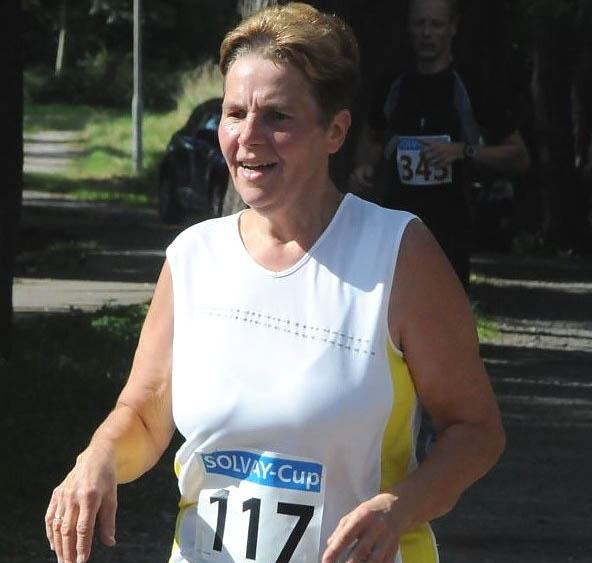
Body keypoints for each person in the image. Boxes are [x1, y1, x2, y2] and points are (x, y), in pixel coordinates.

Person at [45, 4, 505, 563]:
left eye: (277, 117)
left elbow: (475, 430)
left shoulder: (398, 253)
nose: (249, 137)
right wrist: (97, 458)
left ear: (335, 131)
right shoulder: (194, 257)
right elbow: (144, 414)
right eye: (234, 113)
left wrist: (400, 507)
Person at [350, 0, 530, 289]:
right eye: (419, 24)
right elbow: (372, 135)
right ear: (409, 28)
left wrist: (464, 152)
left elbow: (519, 156)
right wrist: (364, 169)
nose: (426, 33)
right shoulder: (394, 83)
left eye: (435, 25)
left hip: (452, 229)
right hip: (396, 225)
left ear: (452, 27)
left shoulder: (471, 84)